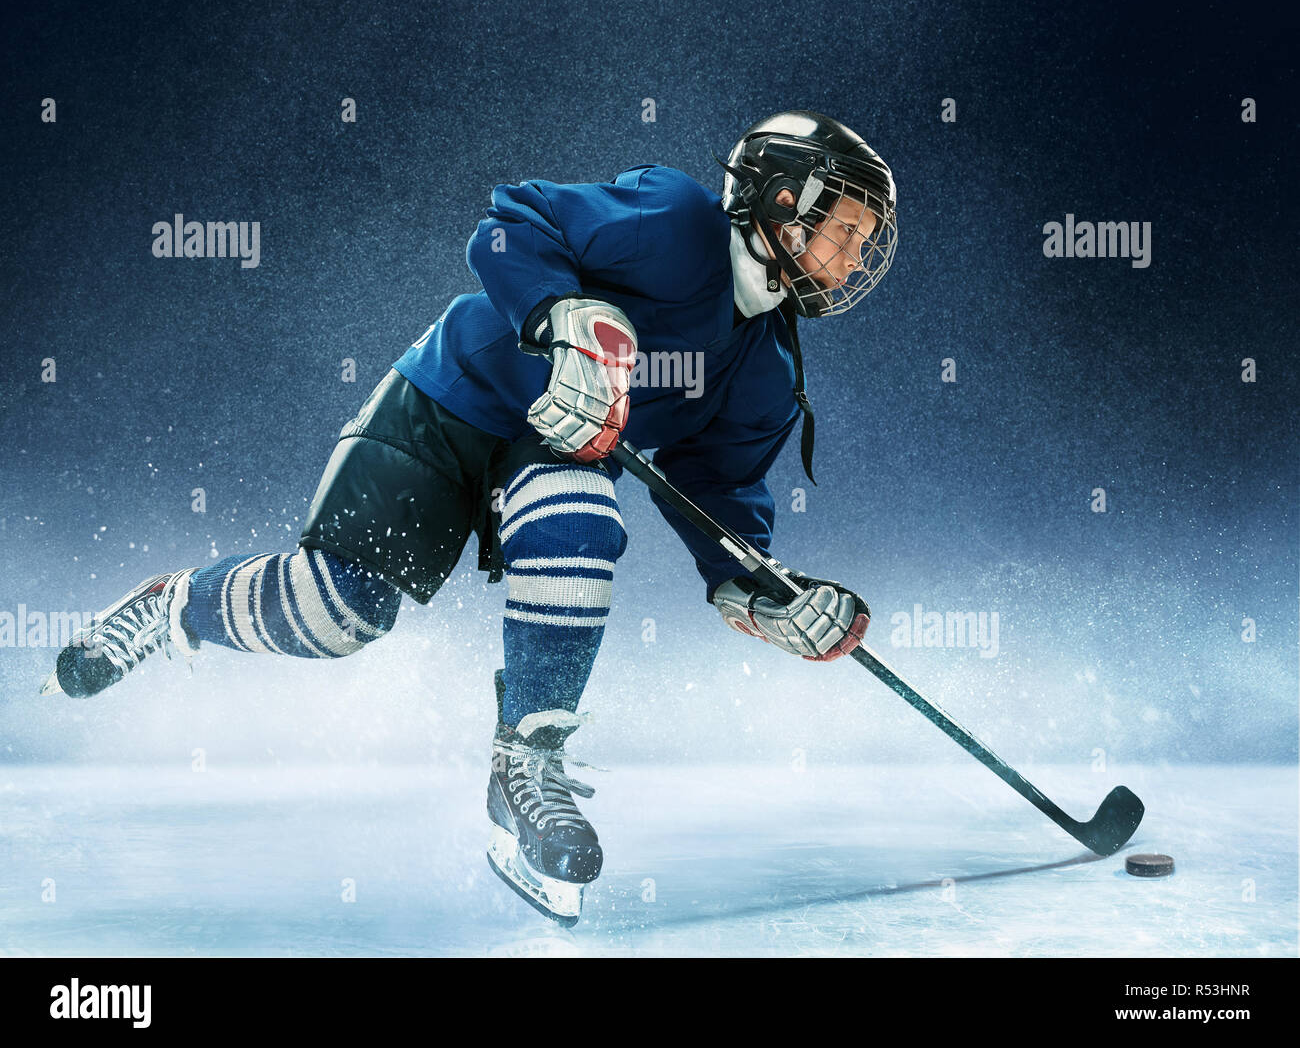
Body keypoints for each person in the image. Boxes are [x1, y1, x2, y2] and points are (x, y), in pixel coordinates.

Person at [40, 109, 898, 925]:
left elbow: (714, 489)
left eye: (864, 238)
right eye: (845, 226)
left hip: (555, 444)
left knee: (580, 519)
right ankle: (171, 605)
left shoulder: (771, 370)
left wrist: (765, 591)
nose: (855, 255)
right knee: (335, 613)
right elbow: (512, 221)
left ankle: (526, 764)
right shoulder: (673, 219)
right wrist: (562, 316)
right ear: (781, 198)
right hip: (452, 400)